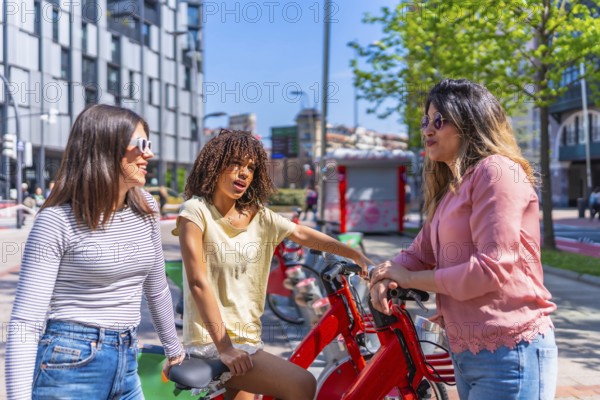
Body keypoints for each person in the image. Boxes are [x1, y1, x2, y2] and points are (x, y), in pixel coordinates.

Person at [369, 79, 558, 400]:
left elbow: (491, 270)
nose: (427, 130)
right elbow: (419, 252)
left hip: (511, 352)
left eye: (439, 120)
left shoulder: (497, 172)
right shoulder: (454, 188)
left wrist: (411, 278)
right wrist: (386, 273)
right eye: (425, 121)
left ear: (471, 121)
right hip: (469, 353)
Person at [173, 129, 372, 400]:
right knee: (301, 384)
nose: (243, 173)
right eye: (235, 164)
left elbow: (302, 234)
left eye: (250, 167)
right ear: (215, 165)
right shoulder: (196, 212)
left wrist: (354, 254)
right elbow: (198, 282)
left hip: (247, 339)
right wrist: (226, 348)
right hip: (214, 341)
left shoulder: (259, 216)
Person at [5, 104, 185, 399]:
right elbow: (26, 321)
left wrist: (174, 350)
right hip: (69, 361)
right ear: (106, 148)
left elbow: (157, 288)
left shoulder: (147, 208)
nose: (149, 154)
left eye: (150, 145)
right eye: (141, 145)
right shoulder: (57, 221)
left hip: (128, 359)